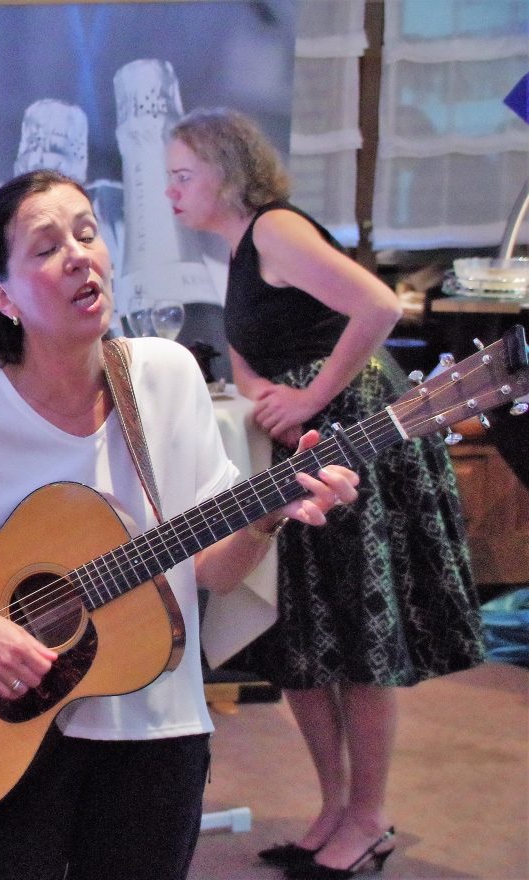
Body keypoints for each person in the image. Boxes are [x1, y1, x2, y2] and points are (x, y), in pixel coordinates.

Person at [0, 169, 359, 880]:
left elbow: (210, 568)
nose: (79, 254)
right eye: (46, 246)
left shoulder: (167, 377)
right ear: (3, 295)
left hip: (157, 728)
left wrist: (266, 517)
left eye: (88, 233)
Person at [166, 107, 485, 879]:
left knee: (359, 638)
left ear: (226, 172)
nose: (170, 190)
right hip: (299, 447)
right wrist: (264, 392)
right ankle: (335, 809)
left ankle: (367, 819)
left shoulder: (275, 229)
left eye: (182, 175)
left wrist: (308, 400)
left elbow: (377, 305)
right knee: (305, 641)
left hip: (352, 438)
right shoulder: (238, 250)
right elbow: (248, 356)